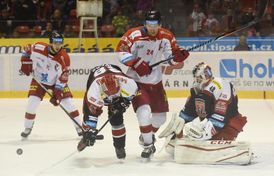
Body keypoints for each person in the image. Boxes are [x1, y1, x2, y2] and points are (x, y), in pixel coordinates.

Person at [116, 10, 190, 160]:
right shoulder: (134, 34)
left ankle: (146, 136)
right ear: (145, 24)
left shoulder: (166, 36)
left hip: (156, 82)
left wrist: (178, 58)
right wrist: (136, 63)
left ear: (160, 24)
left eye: (154, 24)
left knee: (160, 118)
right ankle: (149, 145)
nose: (152, 27)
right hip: (136, 82)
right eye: (149, 24)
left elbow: (171, 59)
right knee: (143, 112)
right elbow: (121, 51)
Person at [159, 62, 247, 146]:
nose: (207, 75)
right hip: (212, 123)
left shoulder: (222, 85)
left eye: (207, 73)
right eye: (205, 73)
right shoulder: (196, 89)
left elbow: (220, 116)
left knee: (216, 139)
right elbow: (189, 112)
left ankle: (218, 137)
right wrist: (178, 126)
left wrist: (205, 134)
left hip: (230, 124)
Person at [20, 32, 82, 138]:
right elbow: (27, 48)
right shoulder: (39, 47)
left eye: (60, 43)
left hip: (56, 83)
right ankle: (28, 127)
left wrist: (57, 93)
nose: (58, 46)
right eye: (55, 43)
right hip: (39, 80)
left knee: (69, 104)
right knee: (32, 104)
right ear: (50, 42)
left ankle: (80, 127)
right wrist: (25, 62)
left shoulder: (64, 58)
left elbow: (63, 77)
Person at [77, 64, 138, 160]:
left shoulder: (128, 84)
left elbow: (135, 94)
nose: (111, 97)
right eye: (109, 94)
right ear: (102, 88)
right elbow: (92, 114)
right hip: (94, 76)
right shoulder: (94, 91)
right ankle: (85, 136)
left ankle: (120, 147)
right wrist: (89, 130)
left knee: (117, 119)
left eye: (115, 92)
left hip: (115, 70)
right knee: (88, 114)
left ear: (119, 84)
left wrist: (124, 102)